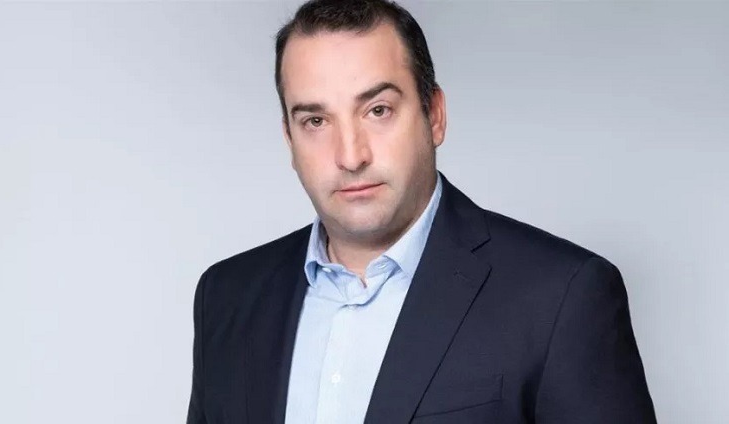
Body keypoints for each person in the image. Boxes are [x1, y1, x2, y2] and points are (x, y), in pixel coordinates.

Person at [186, 0, 657, 423]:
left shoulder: (561, 296)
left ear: (434, 116)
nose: (350, 156)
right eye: (315, 121)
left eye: (378, 110)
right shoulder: (225, 296)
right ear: (289, 140)